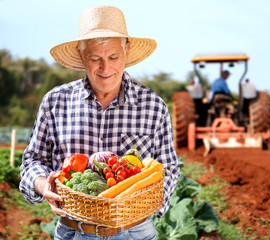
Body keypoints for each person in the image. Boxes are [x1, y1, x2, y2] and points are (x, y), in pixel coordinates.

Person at [19, 5, 180, 239]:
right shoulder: (55, 101)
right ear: (81, 55)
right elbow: (32, 161)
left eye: (113, 57)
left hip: (134, 232)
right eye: (95, 58)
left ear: (126, 50)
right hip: (73, 230)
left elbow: (170, 168)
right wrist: (44, 185)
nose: (105, 68)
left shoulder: (154, 106)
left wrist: (143, 204)